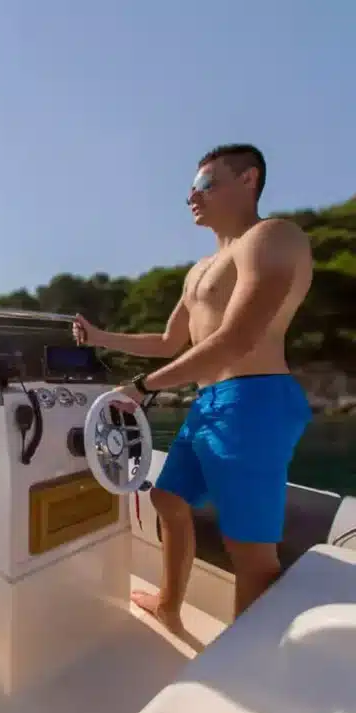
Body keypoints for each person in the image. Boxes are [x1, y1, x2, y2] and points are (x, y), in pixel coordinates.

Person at [73, 143, 313, 632]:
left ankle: (250, 677)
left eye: (206, 183)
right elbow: (169, 341)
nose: (192, 196)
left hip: (255, 400)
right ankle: (168, 604)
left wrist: (141, 387)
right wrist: (100, 337)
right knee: (167, 499)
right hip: (209, 403)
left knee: (252, 555)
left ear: (248, 181)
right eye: (191, 188)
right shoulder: (199, 271)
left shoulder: (272, 238)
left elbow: (238, 339)